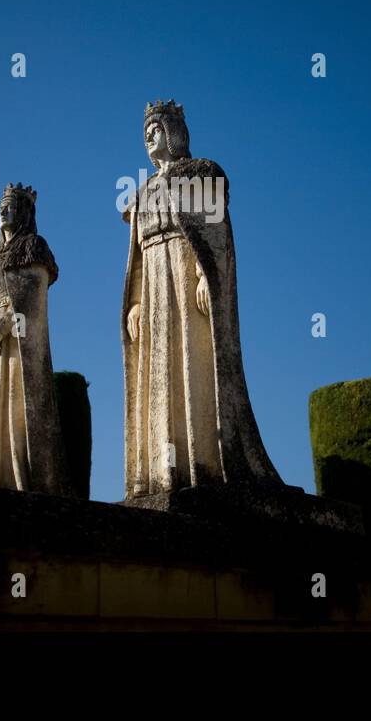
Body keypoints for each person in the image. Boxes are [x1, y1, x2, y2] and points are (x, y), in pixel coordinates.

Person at [121, 100, 282, 498]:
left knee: (192, 363)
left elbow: (214, 236)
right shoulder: (143, 194)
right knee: (158, 377)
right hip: (156, 284)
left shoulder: (201, 174)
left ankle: (203, 462)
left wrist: (204, 276)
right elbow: (137, 259)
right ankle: (163, 471)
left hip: (182, 273)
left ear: (174, 131)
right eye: (145, 132)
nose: (149, 137)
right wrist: (136, 302)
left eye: (156, 128)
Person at [0, 184, 71, 495]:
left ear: (23, 211)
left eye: (9, 205)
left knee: (18, 410)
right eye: (0, 205)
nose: (2, 211)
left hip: (18, 345)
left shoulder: (33, 248)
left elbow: (28, 300)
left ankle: (19, 481)